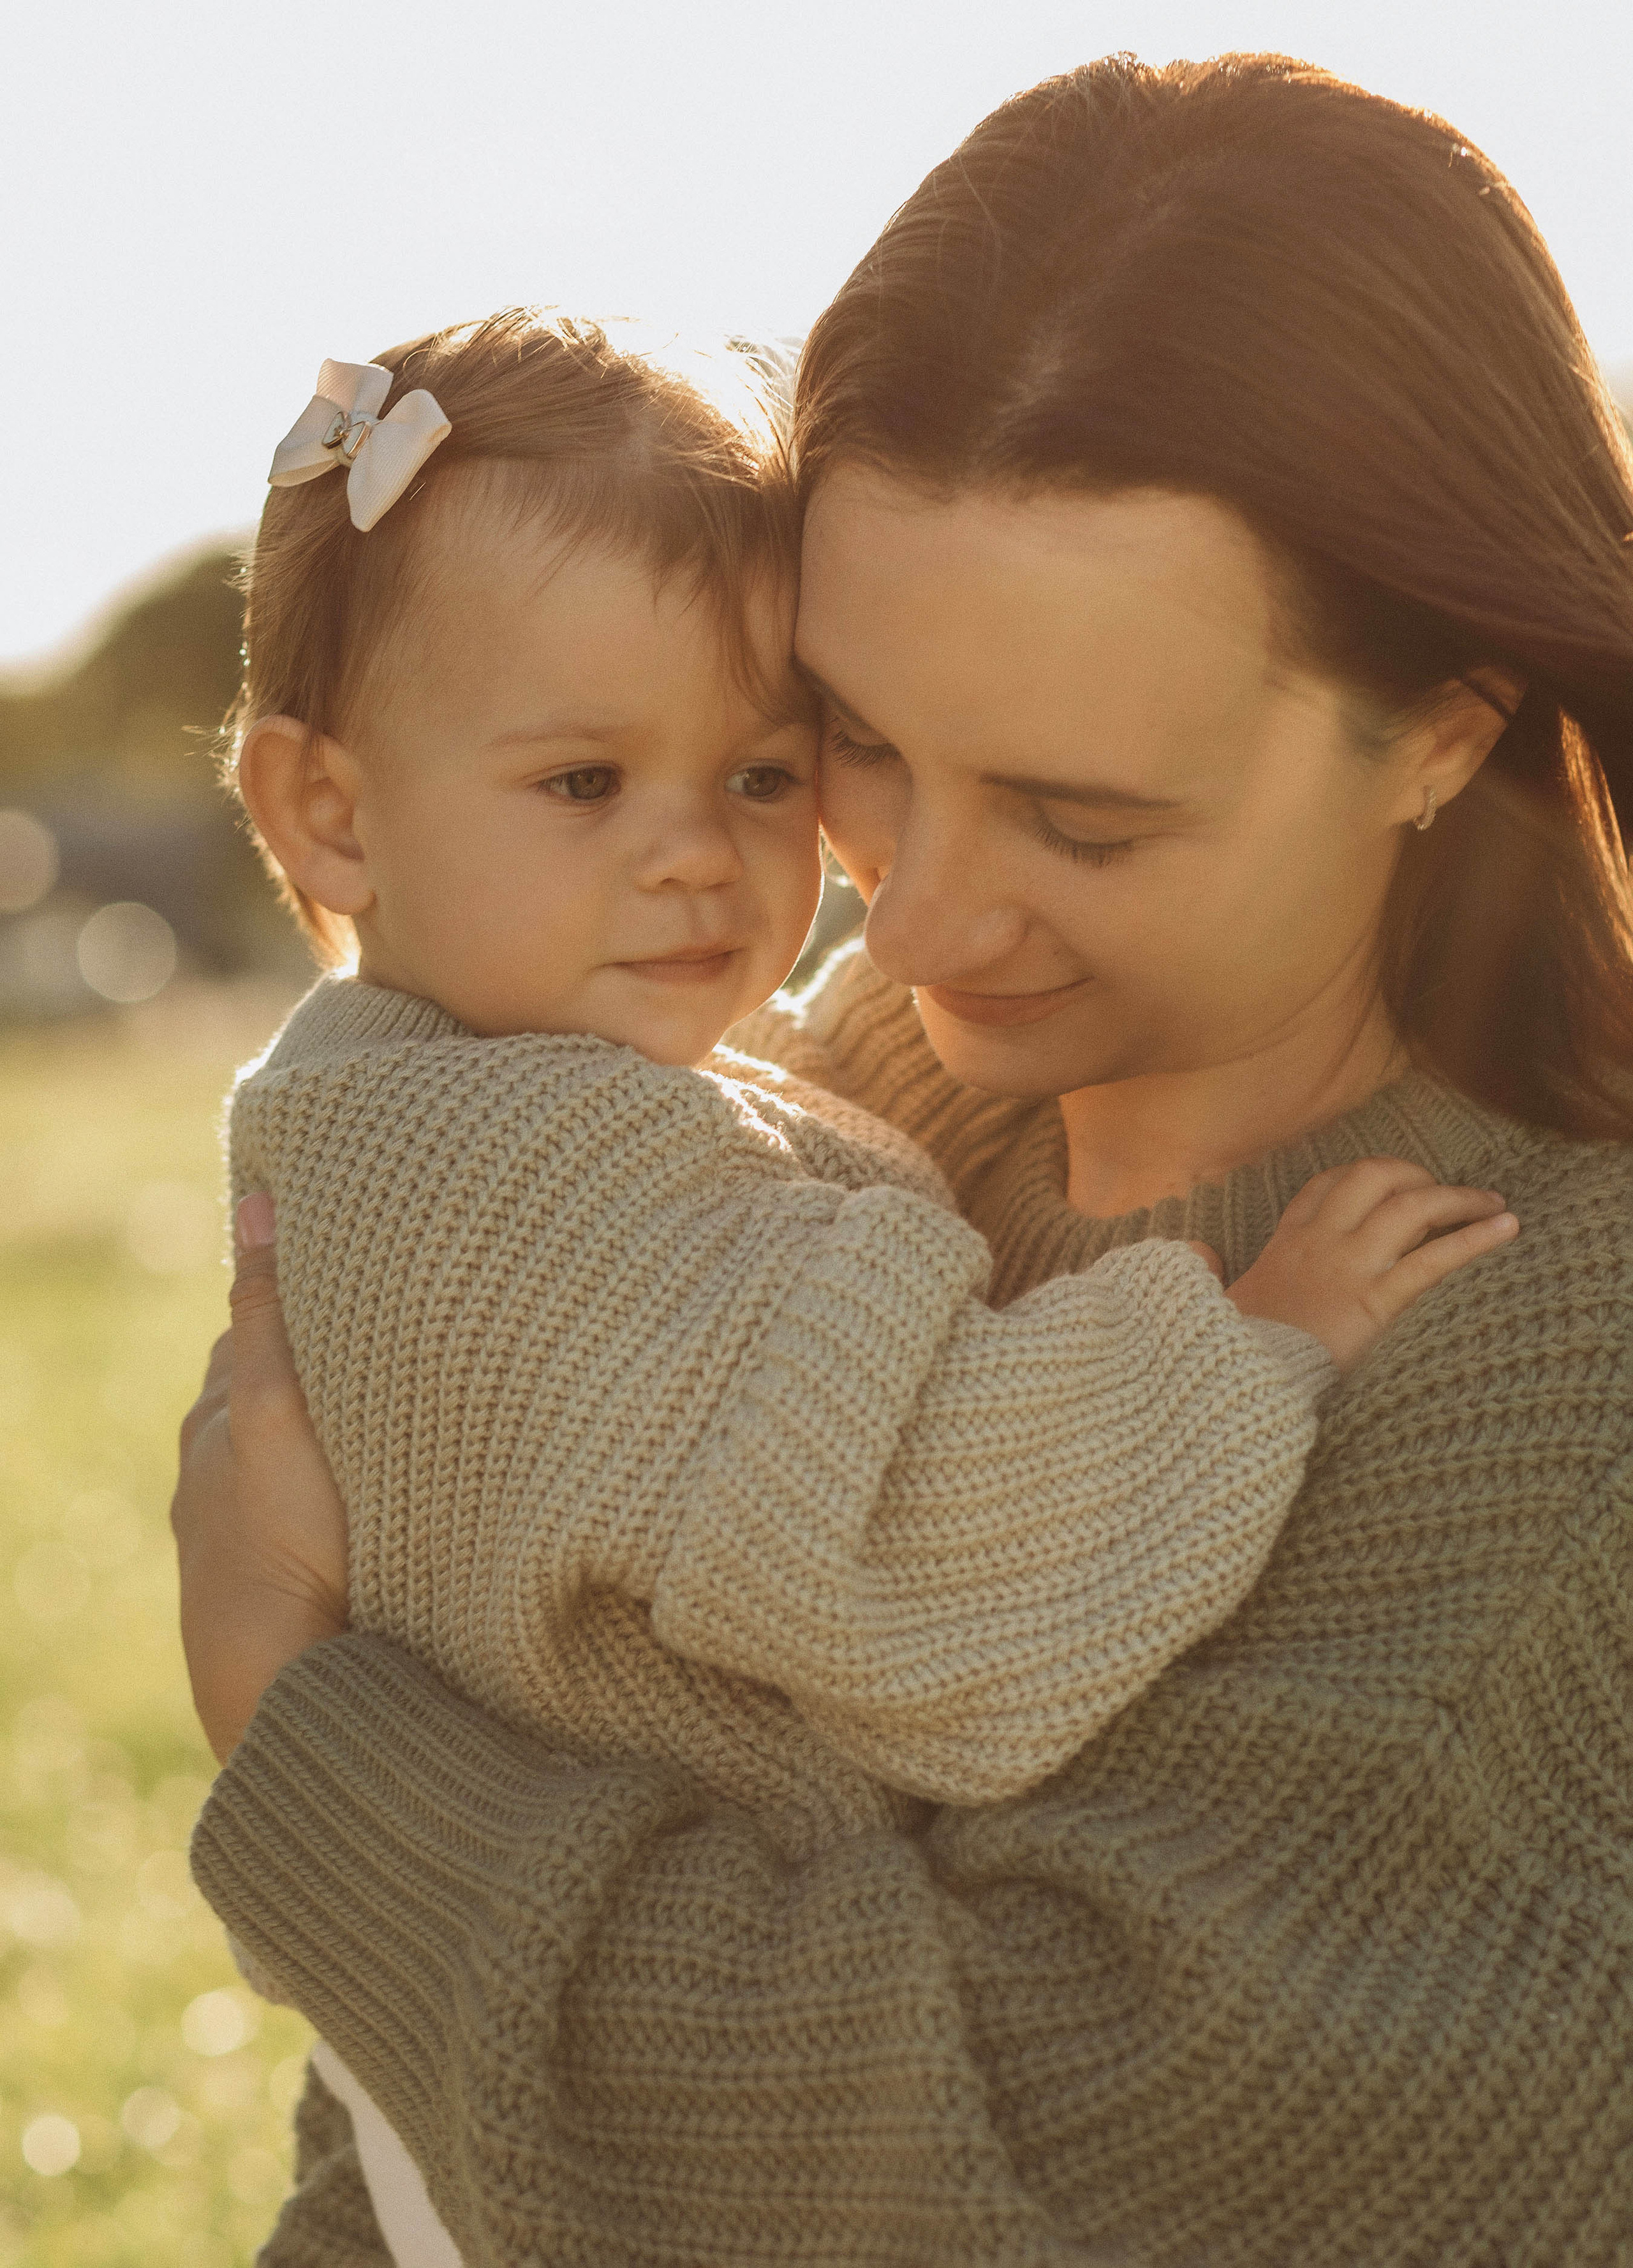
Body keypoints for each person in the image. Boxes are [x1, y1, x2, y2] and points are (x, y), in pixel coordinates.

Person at [176, 55, 1633, 2268]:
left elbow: (1017, 2170)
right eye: (855, 737)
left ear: (1445, 728)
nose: (914, 921)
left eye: (1083, 815)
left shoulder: (1551, 1356)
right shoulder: (860, 1087)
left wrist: (294, 1708)